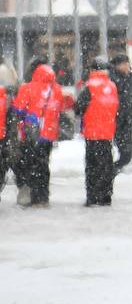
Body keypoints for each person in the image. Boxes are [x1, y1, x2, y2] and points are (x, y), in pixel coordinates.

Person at [11, 63, 73, 207]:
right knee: (43, 165)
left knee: (29, 164)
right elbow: (61, 107)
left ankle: (31, 195)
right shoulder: (56, 89)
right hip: (48, 134)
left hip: (32, 134)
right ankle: (42, 197)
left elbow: (18, 109)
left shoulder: (27, 88)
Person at [75, 57, 120, 207]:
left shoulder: (90, 86)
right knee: (106, 165)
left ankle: (93, 197)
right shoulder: (112, 86)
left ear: (93, 70)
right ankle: (105, 196)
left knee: (93, 166)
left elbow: (79, 108)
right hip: (107, 133)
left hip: (92, 133)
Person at [110, 55, 132, 174]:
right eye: (123, 64)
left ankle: (112, 170)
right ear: (117, 66)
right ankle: (109, 171)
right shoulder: (112, 78)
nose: (127, 66)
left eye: (127, 64)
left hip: (127, 118)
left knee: (127, 154)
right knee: (119, 147)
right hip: (115, 118)